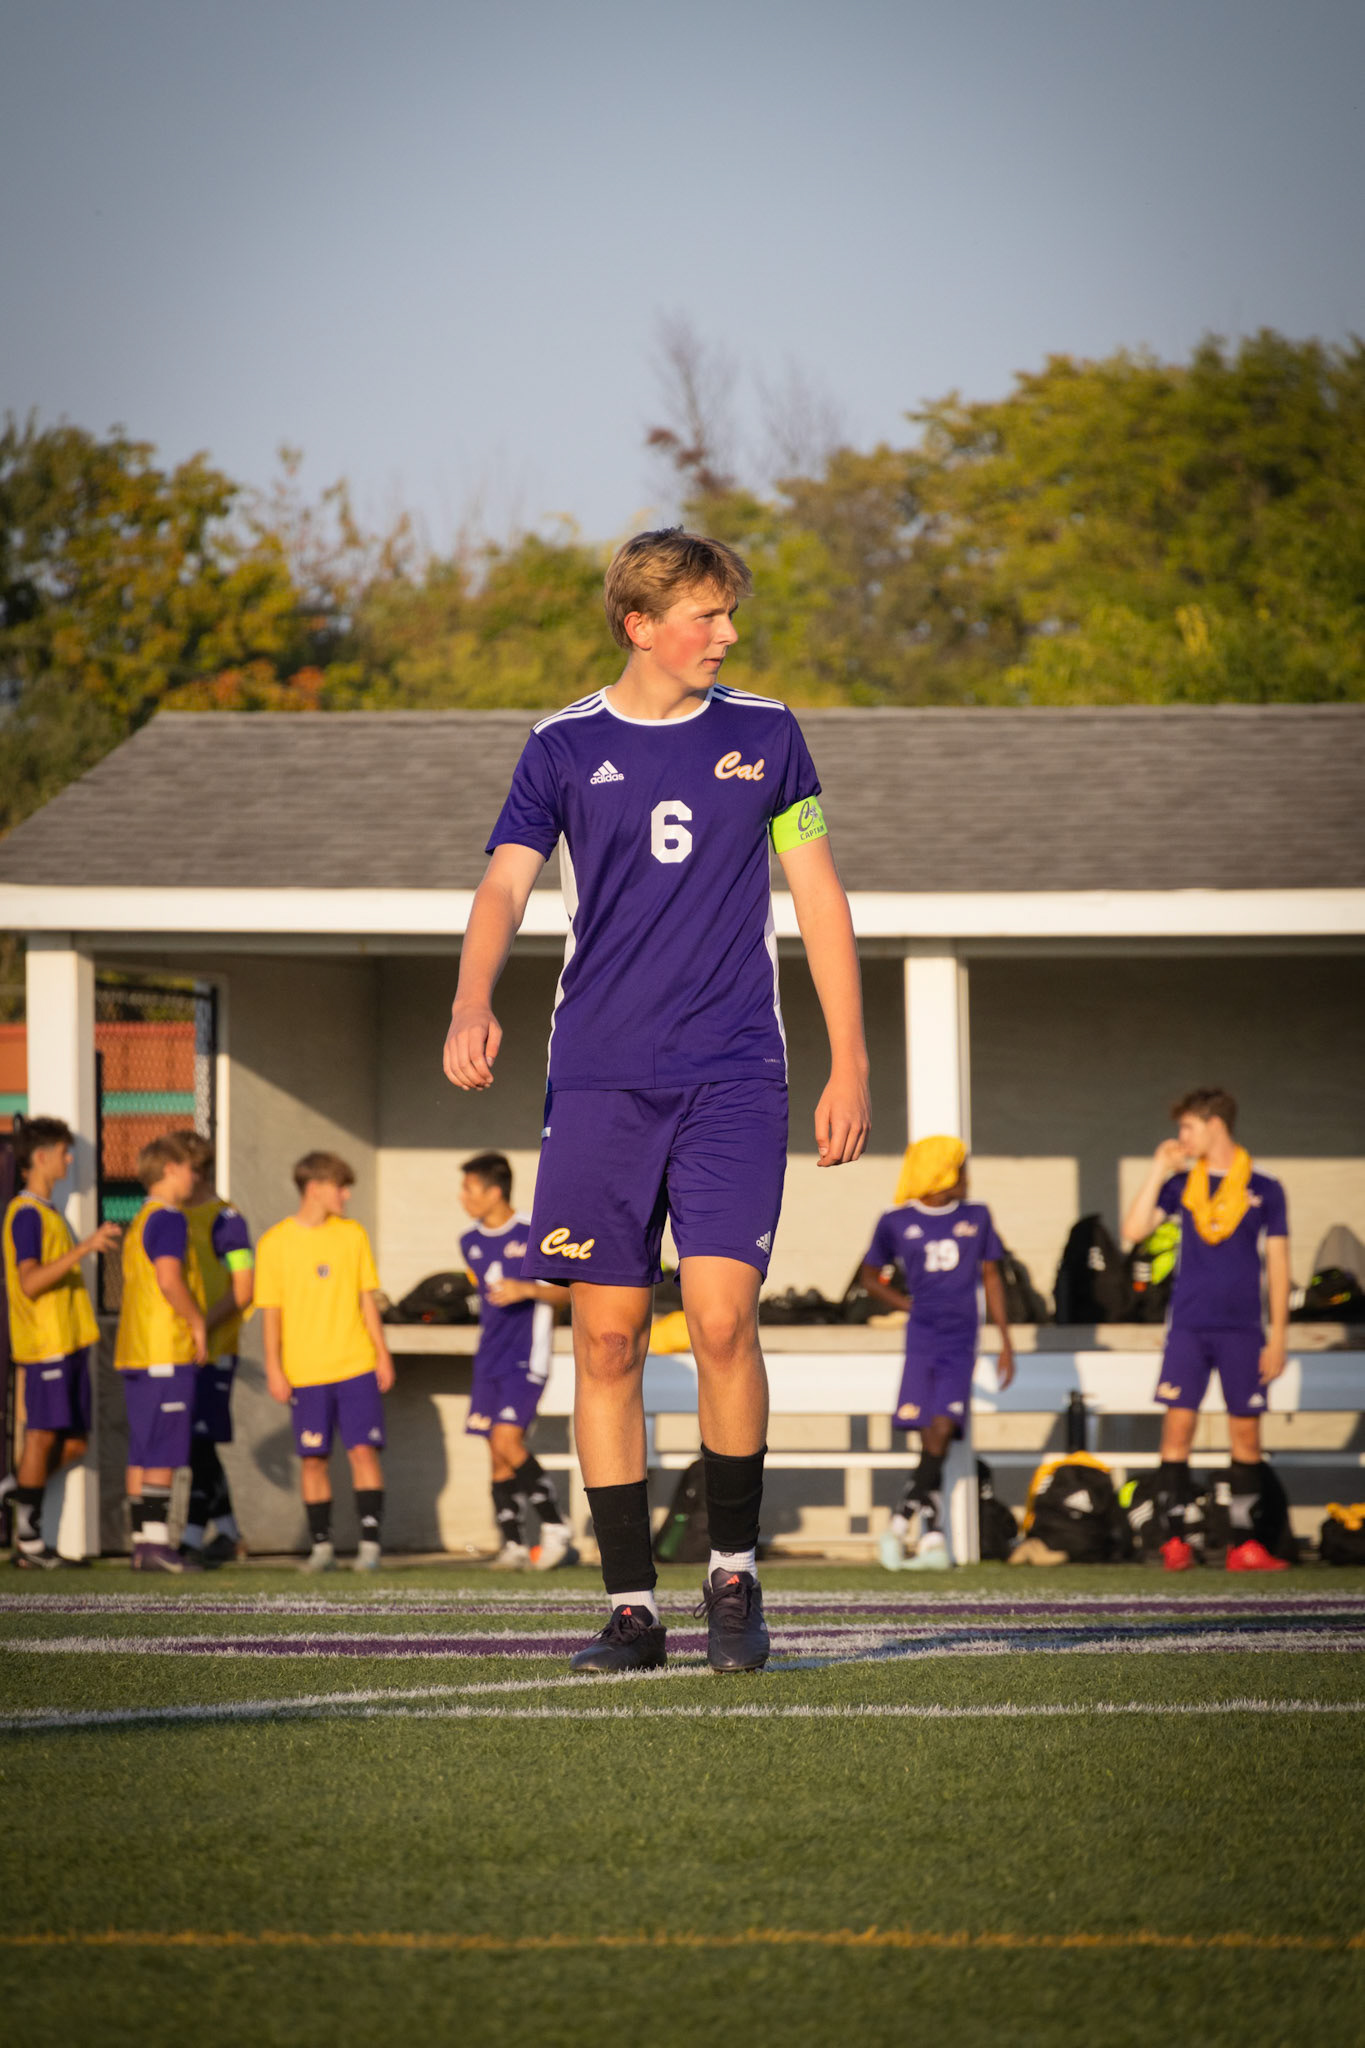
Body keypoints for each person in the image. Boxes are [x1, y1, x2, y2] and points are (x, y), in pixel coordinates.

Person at [443, 526, 870, 1674]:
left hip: (736, 1072)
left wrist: (853, 1058)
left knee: (725, 1319)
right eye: (706, 615)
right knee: (609, 1340)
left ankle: (736, 1577)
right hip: (598, 1083)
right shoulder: (562, 746)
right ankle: (632, 1606)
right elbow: (500, 885)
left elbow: (819, 897)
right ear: (641, 624)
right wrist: (470, 997)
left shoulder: (771, 734)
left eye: (730, 615)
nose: (727, 635)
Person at [1122, 1086, 1291, 1573]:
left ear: (1215, 1123)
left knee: (1247, 1436)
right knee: (1177, 1430)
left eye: (1187, 1127)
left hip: (1243, 1331)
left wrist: (1279, 1337)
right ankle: (1174, 1541)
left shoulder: (1266, 1187)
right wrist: (1159, 1168)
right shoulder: (1181, 1185)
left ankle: (1245, 1544)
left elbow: (1278, 1266)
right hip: (1189, 1328)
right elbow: (1133, 1231)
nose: (1181, 1137)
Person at [858, 1135, 1015, 1570]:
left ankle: (897, 1522)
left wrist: (1005, 1340)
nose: (966, 1178)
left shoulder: (977, 1216)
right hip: (922, 1338)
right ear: (940, 1173)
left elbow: (993, 1278)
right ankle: (934, 1539)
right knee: (928, 1435)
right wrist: (907, 1305)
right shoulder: (895, 1221)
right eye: (960, 1168)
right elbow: (870, 1278)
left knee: (942, 1430)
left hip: (961, 1339)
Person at [255, 1152, 395, 1573]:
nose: (347, 1194)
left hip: (356, 1365)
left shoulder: (352, 1235)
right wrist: (274, 1368)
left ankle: (370, 1548)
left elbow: (366, 1299)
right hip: (305, 1372)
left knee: (363, 1453)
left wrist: (382, 1354)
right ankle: (322, 1549)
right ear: (314, 1188)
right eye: (340, 1186)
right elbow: (271, 1313)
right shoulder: (274, 1243)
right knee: (313, 1459)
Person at [2, 1117, 118, 1568]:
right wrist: (83, 1249)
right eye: (64, 1151)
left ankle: (14, 1489)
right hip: (45, 1343)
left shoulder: (49, 1212)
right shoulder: (26, 1212)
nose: (71, 1160)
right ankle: (29, 1546)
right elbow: (29, 1282)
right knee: (42, 1435)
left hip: (70, 1342)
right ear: (40, 1157)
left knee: (74, 1445)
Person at [458, 1150, 575, 1570]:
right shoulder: (468, 1241)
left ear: (494, 1191)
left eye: (469, 1188)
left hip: (527, 1357)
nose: (462, 1197)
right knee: (495, 1448)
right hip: (488, 1357)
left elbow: (568, 1292)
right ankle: (513, 1545)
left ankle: (557, 1527)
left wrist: (526, 1290)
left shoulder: (534, 1231)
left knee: (509, 1442)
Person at [114, 1133, 209, 1572]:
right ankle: (156, 1544)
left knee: (143, 1446)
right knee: (165, 1450)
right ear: (171, 1169)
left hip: (136, 1350)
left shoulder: (141, 1219)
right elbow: (170, 1280)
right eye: (192, 1168)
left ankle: (140, 1542)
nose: (196, 1177)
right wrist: (196, 1322)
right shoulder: (170, 1217)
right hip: (165, 1348)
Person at [178, 1133, 254, 1565]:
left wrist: (199, 1326)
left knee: (199, 1442)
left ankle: (190, 1540)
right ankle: (228, 1534)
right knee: (194, 1443)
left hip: (215, 1348)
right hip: (180, 1351)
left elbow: (244, 1289)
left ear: (196, 1171)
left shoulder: (227, 1220)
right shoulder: (172, 1216)